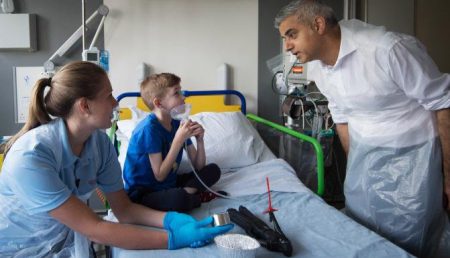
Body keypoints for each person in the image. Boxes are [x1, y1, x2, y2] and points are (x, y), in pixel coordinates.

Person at [0, 61, 232, 257]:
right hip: (16, 250)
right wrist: (173, 238)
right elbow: (95, 228)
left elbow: (125, 210)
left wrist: (171, 220)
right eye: (109, 95)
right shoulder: (30, 158)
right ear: (84, 106)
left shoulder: (99, 145)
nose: (115, 103)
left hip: (62, 244)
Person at [275, 0, 450, 257]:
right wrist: (356, 167)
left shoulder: (388, 49)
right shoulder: (317, 68)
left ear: (318, 24)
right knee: (363, 230)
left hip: (415, 161)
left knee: (412, 238)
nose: (287, 46)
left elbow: (443, 103)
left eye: (292, 35)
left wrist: (448, 176)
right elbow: (342, 117)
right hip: (365, 159)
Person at [123, 73, 223, 212]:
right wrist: (178, 140)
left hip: (170, 183)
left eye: (181, 91)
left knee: (213, 170)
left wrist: (200, 141)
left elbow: (199, 166)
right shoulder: (149, 130)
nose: (183, 97)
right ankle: (192, 196)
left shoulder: (177, 123)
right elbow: (159, 175)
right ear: (158, 103)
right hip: (144, 192)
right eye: (176, 93)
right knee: (177, 199)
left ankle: (188, 194)